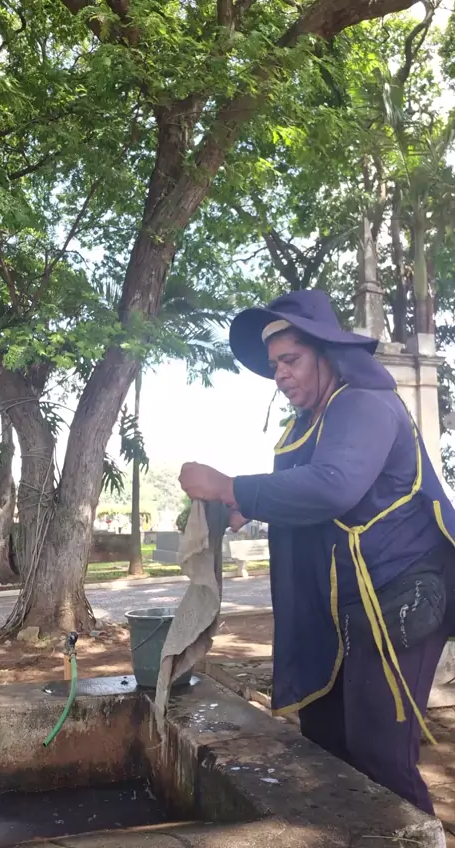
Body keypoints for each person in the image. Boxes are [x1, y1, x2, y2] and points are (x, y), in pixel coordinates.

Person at [179, 290, 455, 816]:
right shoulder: (310, 421)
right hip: (343, 607)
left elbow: (333, 486)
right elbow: (310, 499)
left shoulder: (364, 403)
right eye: (274, 366)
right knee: (326, 739)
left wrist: (231, 486)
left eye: (291, 360)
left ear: (326, 354)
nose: (280, 375)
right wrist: (247, 508)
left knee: (380, 755)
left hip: (399, 596)